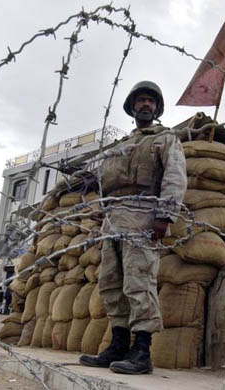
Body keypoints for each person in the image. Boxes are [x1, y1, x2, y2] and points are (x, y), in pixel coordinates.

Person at [79, 81, 187, 374]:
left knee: (139, 282)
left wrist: (164, 216)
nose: (146, 105)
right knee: (111, 283)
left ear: (157, 108)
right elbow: (108, 183)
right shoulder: (123, 145)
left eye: (151, 101)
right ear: (132, 107)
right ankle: (118, 344)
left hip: (143, 216)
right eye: (140, 101)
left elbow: (175, 177)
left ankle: (142, 351)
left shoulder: (165, 138)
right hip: (114, 219)